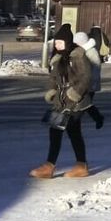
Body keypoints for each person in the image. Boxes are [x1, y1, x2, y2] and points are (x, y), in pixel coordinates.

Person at [29, 34, 93, 179]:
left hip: (76, 101)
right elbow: (53, 77)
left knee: (64, 131)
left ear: (67, 42)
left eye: (60, 43)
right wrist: (52, 90)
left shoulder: (78, 56)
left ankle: (61, 166)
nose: (57, 46)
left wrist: (75, 93)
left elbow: (86, 77)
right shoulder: (58, 58)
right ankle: (72, 166)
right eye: (56, 43)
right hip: (61, 100)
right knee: (63, 132)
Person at [73, 31, 106, 130]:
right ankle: (98, 118)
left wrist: (91, 84)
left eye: (76, 42)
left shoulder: (91, 52)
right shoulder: (81, 51)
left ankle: (75, 123)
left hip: (89, 84)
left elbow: (96, 68)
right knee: (86, 104)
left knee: (83, 104)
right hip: (82, 83)